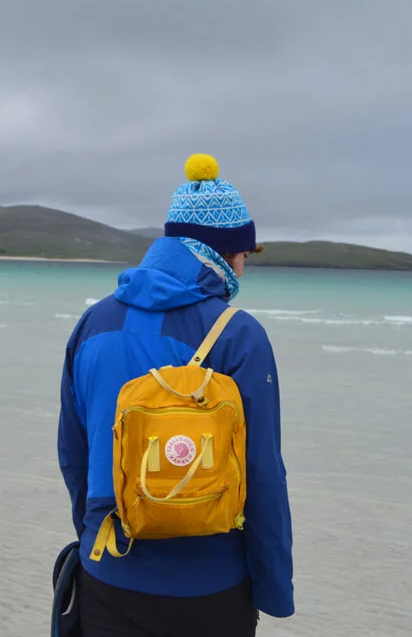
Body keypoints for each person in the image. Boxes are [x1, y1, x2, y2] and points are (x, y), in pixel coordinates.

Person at [57, 153, 294, 637]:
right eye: (245, 255)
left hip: (109, 575)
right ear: (223, 252)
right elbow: (263, 474)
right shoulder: (237, 335)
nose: (244, 271)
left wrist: (93, 535)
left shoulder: (92, 323)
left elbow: (73, 453)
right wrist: (273, 590)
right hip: (210, 589)